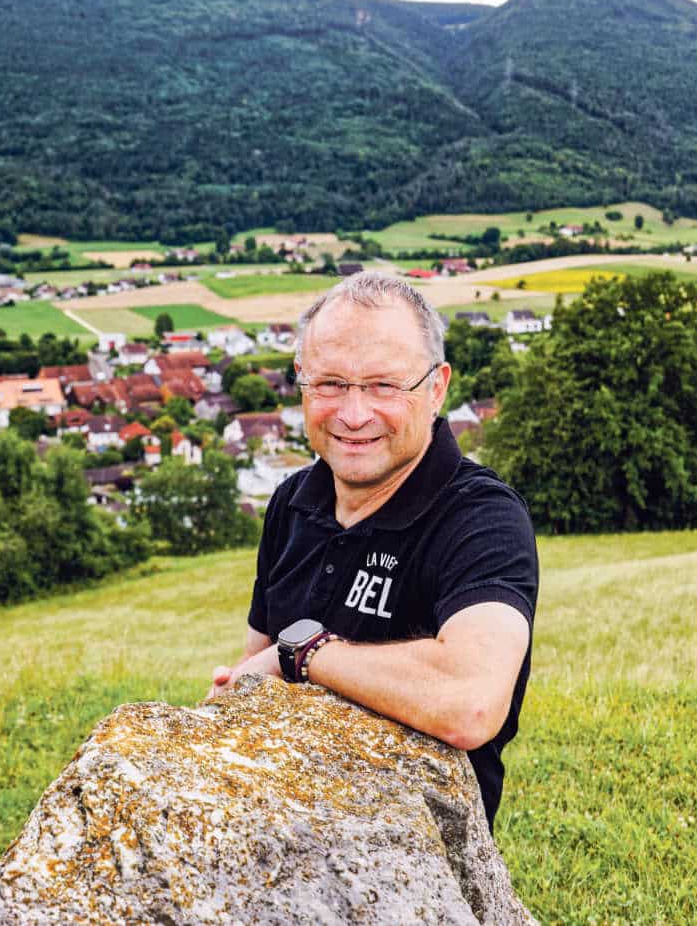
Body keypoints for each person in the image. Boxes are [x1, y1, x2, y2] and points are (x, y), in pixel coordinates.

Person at [208, 271, 537, 828]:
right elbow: (257, 662)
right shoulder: (292, 502)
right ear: (301, 382)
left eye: (385, 386)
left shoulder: (482, 517)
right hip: (280, 808)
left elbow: (471, 699)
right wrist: (235, 694)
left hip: (406, 846)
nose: (354, 414)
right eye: (330, 383)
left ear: (437, 387)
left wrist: (306, 654)